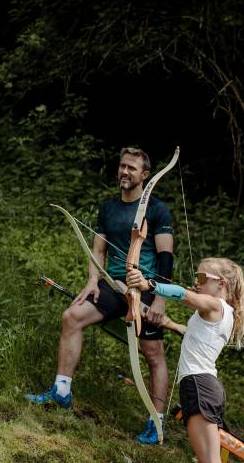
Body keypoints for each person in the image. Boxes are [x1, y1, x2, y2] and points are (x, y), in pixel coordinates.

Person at [25, 147, 174, 445]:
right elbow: (98, 249)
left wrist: (159, 299)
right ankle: (62, 392)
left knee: (153, 355)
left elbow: (166, 256)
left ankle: (156, 423)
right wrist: (94, 280)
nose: (125, 172)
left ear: (145, 175)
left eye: (132, 168)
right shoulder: (108, 208)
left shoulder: (157, 210)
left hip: (144, 290)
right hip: (111, 285)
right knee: (72, 317)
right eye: (122, 166)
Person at [127, 257, 244, 463]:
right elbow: (194, 332)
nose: (197, 280)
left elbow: (186, 295)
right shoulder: (219, 312)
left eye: (203, 276)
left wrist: (148, 285)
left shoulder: (213, 304)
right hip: (205, 387)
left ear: (222, 284)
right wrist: (165, 322)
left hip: (198, 387)